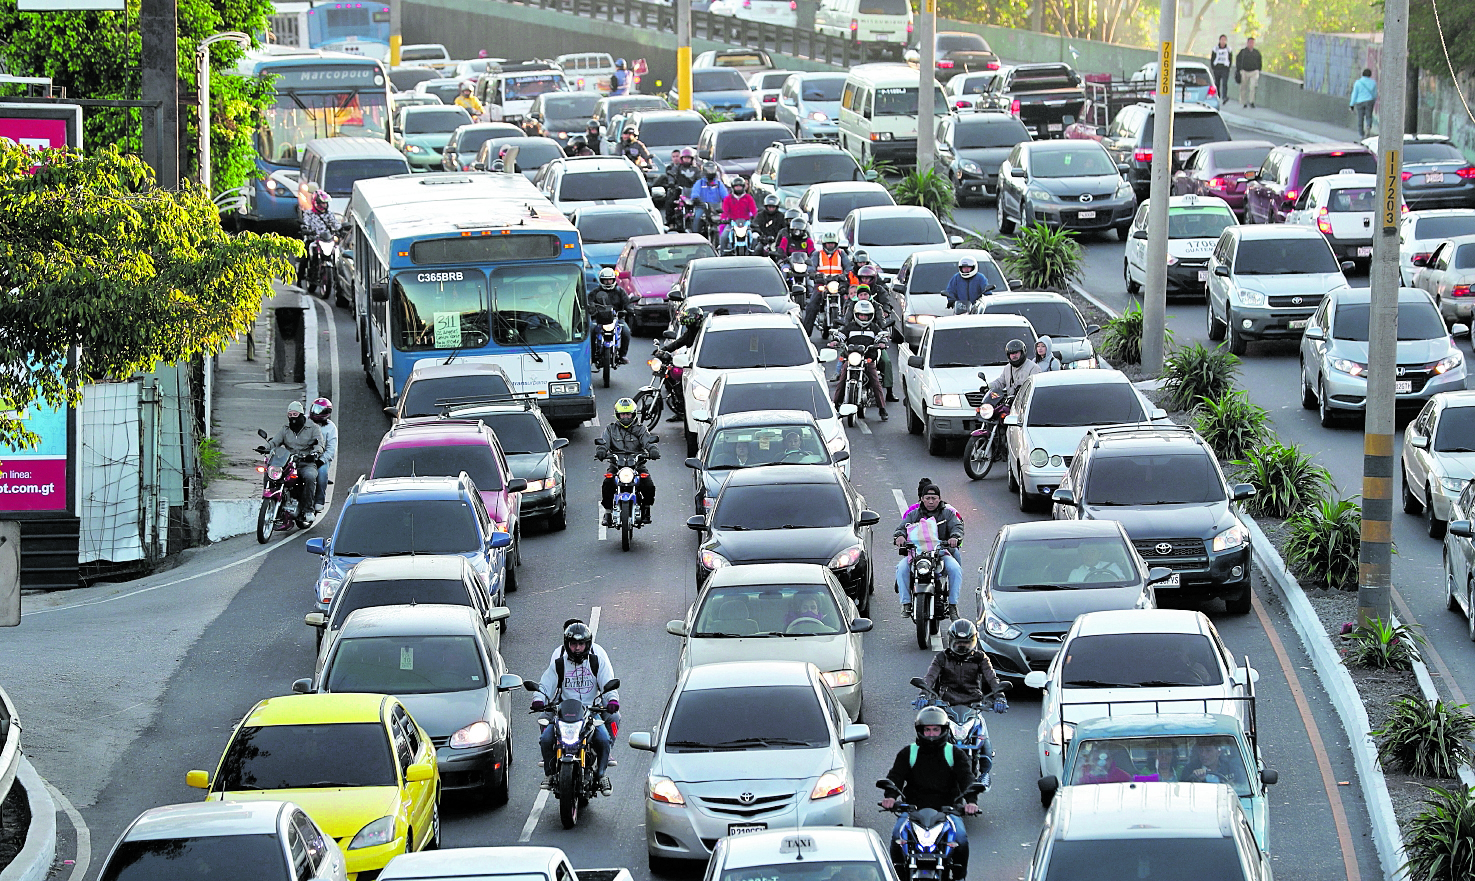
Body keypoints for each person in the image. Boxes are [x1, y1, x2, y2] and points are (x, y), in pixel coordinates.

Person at [879, 706, 979, 881]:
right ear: (920, 731)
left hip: (947, 810)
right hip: (912, 810)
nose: (931, 734)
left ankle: (959, 877)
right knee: (896, 838)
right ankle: (898, 877)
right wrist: (890, 797)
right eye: (927, 730)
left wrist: (971, 801)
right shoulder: (908, 753)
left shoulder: (954, 753)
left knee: (961, 839)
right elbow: (895, 776)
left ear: (944, 730)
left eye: (935, 729)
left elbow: (967, 778)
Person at [532, 620, 620, 793]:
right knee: (546, 739)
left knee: (603, 740)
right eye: (573, 644)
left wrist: (612, 700)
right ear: (567, 644)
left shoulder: (597, 662)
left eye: (581, 644)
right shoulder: (559, 664)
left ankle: (601, 774)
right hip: (563, 712)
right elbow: (545, 685)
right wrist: (538, 699)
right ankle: (549, 774)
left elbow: (608, 684)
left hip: (590, 713)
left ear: (587, 644)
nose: (577, 648)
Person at [921, 619, 1006, 787]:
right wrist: (923, 695)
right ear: (951, 641)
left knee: (984, 740)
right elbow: (929, 678)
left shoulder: (980, 658)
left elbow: (992, 678)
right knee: (928, 737)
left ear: (973, 642)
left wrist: (1000, 697)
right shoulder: (941, 658)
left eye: (966, 643)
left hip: (973, 706)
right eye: (959, 643)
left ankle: (985, 774)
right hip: (947, 706)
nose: (962, 647)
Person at [894, 479, 965, 619]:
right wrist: (900, 536)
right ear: (922, 499)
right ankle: (906, 603)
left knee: (955, 569)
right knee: (901, 569)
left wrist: (954, 537)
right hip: (916, 554)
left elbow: (957, 527)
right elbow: (901, 528)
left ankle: (953, 605)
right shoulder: (914, 514)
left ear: (939, 499)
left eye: (934, 498)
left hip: (940, 553)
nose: (931, 501)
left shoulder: (948, 514)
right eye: (928, 498)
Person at [596, 397, 659, 525]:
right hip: (616, 464)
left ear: (634, 414)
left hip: (637, 464)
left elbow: (648, 441)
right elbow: (604, 442)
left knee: (648, 485)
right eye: (622, 414)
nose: (625, 417)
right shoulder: (610, 429)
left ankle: (646, 508)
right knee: (607, 483)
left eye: (628, 414)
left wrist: (653, 450)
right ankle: (608, 512)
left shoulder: (641, 429)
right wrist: (601, 450)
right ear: (617, 415)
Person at [830, 300, 888, 421]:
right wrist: (835, 341)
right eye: (861, 315)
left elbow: (880, 337)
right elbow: (841, 336)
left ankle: (882, 409)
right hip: (851, 359)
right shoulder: (850, 327)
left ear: (871, 316)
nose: (863, 318)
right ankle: (835, 405)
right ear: (856, 315)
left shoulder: (874, 327)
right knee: (842, 379)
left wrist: (882, 342)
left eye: (866, 316)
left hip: (867, 359)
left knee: (875, 381)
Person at [267, 401, 323, 527]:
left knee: (310, 477)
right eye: (290, 414)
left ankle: (308, 510)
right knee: (271, 473)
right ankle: (272, 502)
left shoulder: (313, 428)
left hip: (306, 462)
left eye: (295, 414)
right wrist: (265, 447)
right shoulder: (285, 429)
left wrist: (314, 453)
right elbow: (275, 441)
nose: (292, 417)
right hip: (288, 462)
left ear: (301, 414)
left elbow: (319, 445)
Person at [589, 267, 633, 363]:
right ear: (601, 280)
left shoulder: (620, 292)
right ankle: (592, 355)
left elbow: (627, 303)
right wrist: (591, 307)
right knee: (591, 330)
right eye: (605, 280)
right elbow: (590, 301)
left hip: (616, 318)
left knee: (626, 331)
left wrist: (629, 309)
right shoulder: (595, 292)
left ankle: (622, 355)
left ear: (613, 280)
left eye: (610, 280)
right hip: (599, 319)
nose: (608, 282)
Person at [299, 189, 339, 289]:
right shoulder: (309, 214)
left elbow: (336, 224)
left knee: (338, 254)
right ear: (316, 203)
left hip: (327, 239)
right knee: (305, 255)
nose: (324, 205)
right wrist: (305, 229)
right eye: (322, 203)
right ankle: (300, 277)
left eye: (325, 203)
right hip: (313, 239)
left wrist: (341, 229)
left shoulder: (329, 214)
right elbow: (305, 223)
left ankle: (337, 279)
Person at [658, 148, 701, 227]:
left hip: (693, 191)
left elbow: (700, 178)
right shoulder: (677, 168)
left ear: (692, 159)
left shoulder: (696, 169)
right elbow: (671, 174)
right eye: (685, 158)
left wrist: (701, 186)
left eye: (688, 158)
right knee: (670, 202)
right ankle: (670, 222)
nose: (686, 160)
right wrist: (671, 183)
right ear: (682, 158)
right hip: (680, 190)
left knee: (703, 203)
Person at [308, 397, 335, 515]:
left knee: (322, 473)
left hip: (321, 458)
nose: (315, 412)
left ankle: (319, 501)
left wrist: (321, 460)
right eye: (315, 408)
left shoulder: (331, 428)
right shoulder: (305, 420)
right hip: (305, 455)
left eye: (319, 410)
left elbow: (331, 449)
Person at [1178, 740, 1243, 787]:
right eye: (1200, 750)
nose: (1203, 754)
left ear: (1218, 752)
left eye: (1208, 750)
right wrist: (1196, 779)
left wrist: (1233, 786)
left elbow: (1243, 787)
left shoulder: (1231, 769)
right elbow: (1184, 790)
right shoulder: (1189, 770)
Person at [689, 162, 729, 236]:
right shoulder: (700, 183)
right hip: (702, 207)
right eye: (709, 170)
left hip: (716, 208)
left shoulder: (719, 184)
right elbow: (695, 194)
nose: (710, 172)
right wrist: (697, 200)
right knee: (697, 218)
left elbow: (725, 196)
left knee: (727, 220)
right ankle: (695, 235)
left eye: (712, 169)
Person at [719, 178, 757, 250]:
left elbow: (754, 210)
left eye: (740, 186)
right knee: (724, 237)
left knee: (754, 237)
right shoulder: (728, 198)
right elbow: (724, 211)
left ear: (743, 187)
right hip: (732, 223)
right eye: (736, 186)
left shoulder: (748, 198)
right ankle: (722, 253)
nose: (738, 188)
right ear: (733, 187)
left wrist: (756, 219)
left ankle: (753, 252)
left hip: (746, 223)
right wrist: (723, 219)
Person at [1350, 68, 1378, 139]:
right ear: (1370, 75)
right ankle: (1368, 126)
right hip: (1369, 101)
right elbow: (1375, 94)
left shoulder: (1358, 83)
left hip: (1359, 102)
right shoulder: (1373, 83)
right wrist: (1373, 101)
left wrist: (1351, 104)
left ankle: (1361, 134)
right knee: (1369, 116)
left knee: (1360, 118)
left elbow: (1354, 94)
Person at [1235, 37, 1262, 108]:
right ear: (1247, 43)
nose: (1251, 44)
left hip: (1254, 72)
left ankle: (1251, 101)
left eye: (1252, 43)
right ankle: (1243, 102)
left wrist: (1258, 69)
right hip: (1244, 71)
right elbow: (1238, 60)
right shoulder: (1243, 52)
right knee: (1243, 87)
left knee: (1253, 87)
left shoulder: (1256, 52)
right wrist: (1239, 69)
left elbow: (1260, 61)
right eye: (1250, 43)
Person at [1210, 35, 1233, 105]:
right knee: (1217, 83)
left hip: (1225, 68)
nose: (1223, 41)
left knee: (1224, 83)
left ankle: (1224, 97)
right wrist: (1213, 67)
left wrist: (1228, 67)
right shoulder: (1215, 49)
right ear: (1219, 40)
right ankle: (1217, 96)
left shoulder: (1228, 49)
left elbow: (1230, 59)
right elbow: (1212, 58)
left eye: (1224, 40)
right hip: (1217, 68)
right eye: (1222, 40)